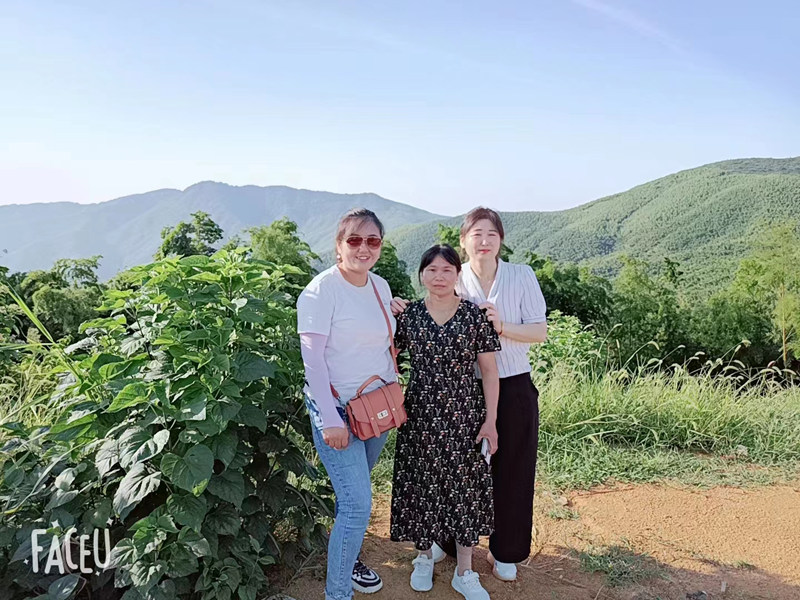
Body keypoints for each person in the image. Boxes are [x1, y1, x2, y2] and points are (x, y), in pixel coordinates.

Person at [391, 207, 547, 582]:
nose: (484, 240)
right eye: (476, 233)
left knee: (512, 468)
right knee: (455, 468)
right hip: (460, 389)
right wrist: (399, 308)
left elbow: (540, 331)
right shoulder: (454, 278)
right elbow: (430, 313)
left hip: (513, 383)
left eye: (491, 233)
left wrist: (502, 325)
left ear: (501, 239)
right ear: (463, 241)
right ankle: (446, 540)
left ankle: (505, 550)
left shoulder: (521, 275)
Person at [390, 245, 501, 600]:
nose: (439, 277)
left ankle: (464, 571)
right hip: (419, 414)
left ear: (457, 274)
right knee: (422, 483)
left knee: (464, 488)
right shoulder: (408, 316)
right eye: (432, 270)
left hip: (464, 415)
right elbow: (387, 356)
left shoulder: (473, 316)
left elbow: (489, 372)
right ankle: (423, 557)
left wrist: (491, 421)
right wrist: (386, 312)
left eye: (447, 270)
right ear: (422, 274)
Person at [297, 208, 397, 600]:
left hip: (376, 409)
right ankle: (337, 593)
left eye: (372, 240)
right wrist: (329, 419)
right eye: (354, 239)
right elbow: (313, 362)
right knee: (357, 505)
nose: (363, 247)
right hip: (338, 410)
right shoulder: (321, 291)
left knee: (351, 497)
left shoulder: (380, 287)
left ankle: (348, 559)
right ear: (338, 245)